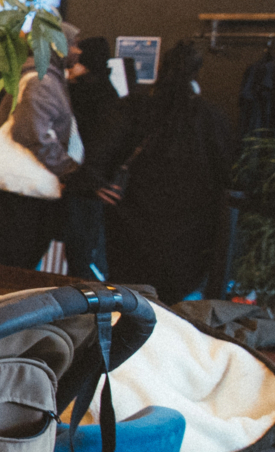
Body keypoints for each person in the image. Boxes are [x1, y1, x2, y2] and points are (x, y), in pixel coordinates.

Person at [102, 40, 238, 301]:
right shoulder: (210, 117)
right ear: (197, 72)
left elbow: (105, 151)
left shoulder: (138, 108)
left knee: (130, 297)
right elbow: (225, 171)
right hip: (189, 227)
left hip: (134, 219)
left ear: (161, 67)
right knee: (172, 302)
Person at [0, 39, 80, 271]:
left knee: (8, 267)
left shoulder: (33, 74)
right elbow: (29, 130)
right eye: (74, 43)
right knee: (12, 270)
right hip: (19, 194)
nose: (77, 51)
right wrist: (66, 168)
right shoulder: (41, 79)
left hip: (14, 192)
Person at [62, 36, 126, 281]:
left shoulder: (80, 92)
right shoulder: (110, 92)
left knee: (78, 257)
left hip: (81, 182)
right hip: (93, 184)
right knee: (84, 259)